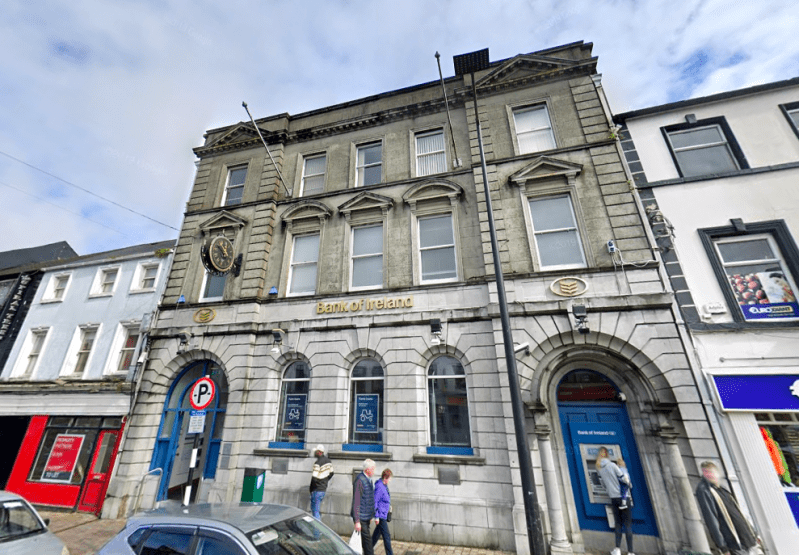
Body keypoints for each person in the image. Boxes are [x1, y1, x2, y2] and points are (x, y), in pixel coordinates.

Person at [695, 461, 758, 555]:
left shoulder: (721, 488)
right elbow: (711, 520)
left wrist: (753, 532)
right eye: (706, 472)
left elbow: (737, 512)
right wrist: (723, 547)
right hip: (734, 543)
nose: (710, 475)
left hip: (747, 538)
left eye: (712, 472)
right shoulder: (704, 490)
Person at [596, 447, 634, 555]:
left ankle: (617, 549)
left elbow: (603, 485)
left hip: (613, 498)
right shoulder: (613, 465)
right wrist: (628, 482)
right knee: (628, 525)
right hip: (624, 498)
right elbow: (623, 478)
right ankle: (630, 552)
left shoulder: (600, 469)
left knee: (618, 524)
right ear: (607, 455)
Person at [352, 459, 377, 555]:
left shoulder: (368, 480)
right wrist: (357, 521)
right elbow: (356, 501)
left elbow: (369, 499)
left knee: (365, 542)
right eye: (373, 469)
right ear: (367, 469)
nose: (374, 471)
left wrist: (371, 515)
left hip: (366, 516)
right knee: (368, 545)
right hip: (361, 517)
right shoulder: (360, 481)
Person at [309, 444, 334, 520]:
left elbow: (314, 478)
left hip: (316, 490)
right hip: (323, 489)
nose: (314, 453)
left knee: (315, 512)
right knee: (317, 511)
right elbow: (332, 473)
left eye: (316, 451)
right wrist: (325, 481)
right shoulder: (328, 461)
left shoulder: (317, 463)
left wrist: (311, 489)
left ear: (319, 452)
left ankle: (317, 531)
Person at [372, 468, 393, 555]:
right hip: (380, 515)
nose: (390, 480)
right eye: (389, 478)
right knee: (386, 537)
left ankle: (367, 549)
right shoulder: (379, 487)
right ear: (385, 478)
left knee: (376, 535)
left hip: (384, 513)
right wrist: (376, 517)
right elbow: (375, 501)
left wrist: (388, 506)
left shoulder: (384, 485)